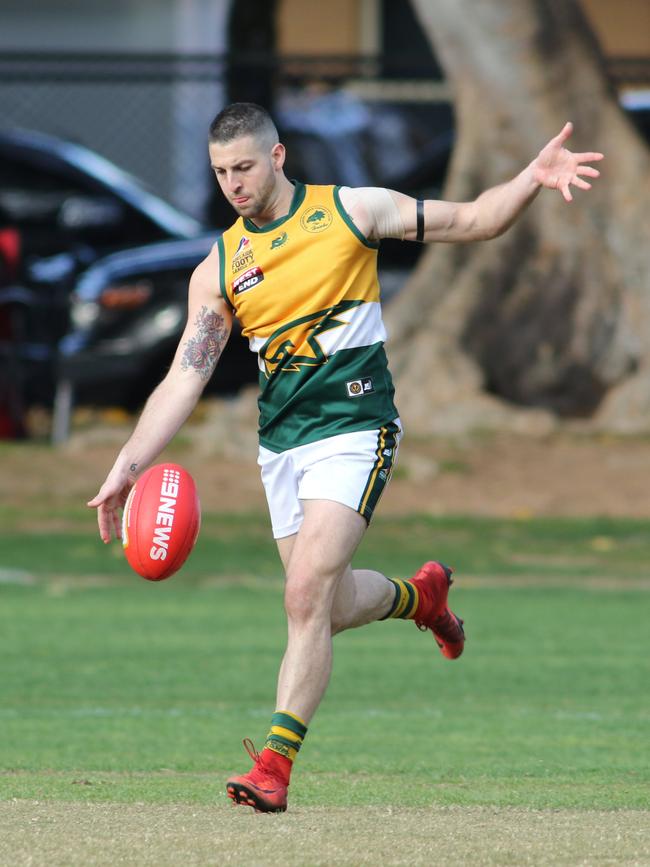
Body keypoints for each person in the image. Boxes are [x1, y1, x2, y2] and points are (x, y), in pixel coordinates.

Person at [88, 102, 603, 813]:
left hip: (358, 427)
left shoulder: (353, 211)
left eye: (243, 167)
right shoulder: (221, 266)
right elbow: (186, 373)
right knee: (322, 608)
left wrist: (531, 179)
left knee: (302, 595)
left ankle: (274, 765)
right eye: (220, 173)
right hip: (283, 445)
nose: (233, 184)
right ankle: (420, 597)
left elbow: (475, 218)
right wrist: (128, 464)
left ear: (277, 158)